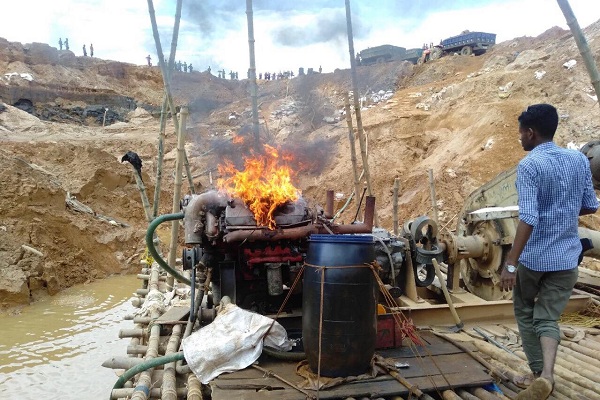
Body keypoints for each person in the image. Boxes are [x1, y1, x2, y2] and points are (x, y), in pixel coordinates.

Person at [500, 104, 598, 400]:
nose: (520, 138)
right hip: (567, 258)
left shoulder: (529, 165)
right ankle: (548, 376)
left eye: (521, 133)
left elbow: (529, 217)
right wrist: (562, 212)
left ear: (531, 132)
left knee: (525, 310)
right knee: (547, 319)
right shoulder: (578, 159)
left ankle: (536, 374)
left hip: (534, 258)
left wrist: (511, 264)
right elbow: (590, 206)